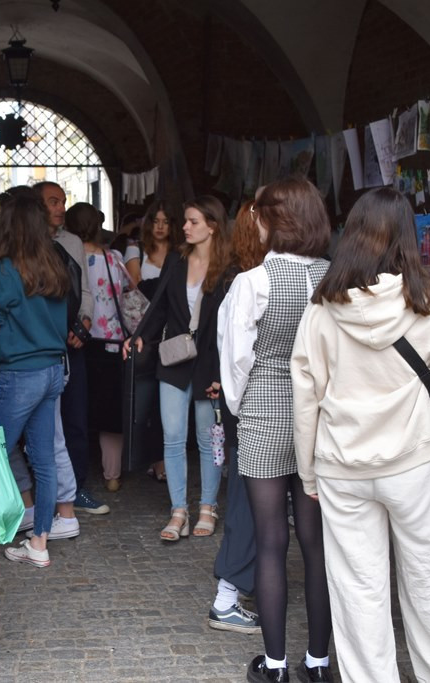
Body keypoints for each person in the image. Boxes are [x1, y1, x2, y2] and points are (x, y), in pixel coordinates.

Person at [291, 187, 430, 682]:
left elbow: (305, 401)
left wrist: (309, 474)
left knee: (358, 591)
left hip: (343, 467)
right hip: (416, 462)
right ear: (408, 238)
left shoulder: (321, 311)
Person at [219, 177, 333, 682]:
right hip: (323, 417)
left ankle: (276, 664)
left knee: (270, 543)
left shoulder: (252, 282)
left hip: (266, 410)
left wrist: (242, 410)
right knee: (316, 544)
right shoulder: (334, 278)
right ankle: (319, 661)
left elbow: (236, 362)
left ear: (271, 220)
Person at [0, 190, 70, 570]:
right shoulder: (54, 263)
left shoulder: (8, 270)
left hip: (20, 372)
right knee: (44, 461)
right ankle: (39, 541)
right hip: (52, 370)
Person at [124, 195, 236, 541]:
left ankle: (207, 507)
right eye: (185, 221)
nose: (184, 227)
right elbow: (157, 307)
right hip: (173, 358)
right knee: (172, 438)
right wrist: (139, 336)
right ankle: (178, 511)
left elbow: (234, 324)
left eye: (193, 222)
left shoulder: (231, 270)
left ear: (212, 226)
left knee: (207, 439)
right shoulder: (176, 261)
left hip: (210, 362)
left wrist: (224, 372)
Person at [206, 197, 267, 635]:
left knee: (253, 497)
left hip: (245, 404)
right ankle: (228, 594)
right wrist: (239, 402)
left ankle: (243, 585)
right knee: (247, 497)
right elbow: (235, 353)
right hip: (253, 407)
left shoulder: (243, 277)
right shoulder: (246, 281)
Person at [34, 180, 109, 516]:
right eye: (53, 202)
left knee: (76, 417)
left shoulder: (73, 242)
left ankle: (77, 488)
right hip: (41, 346)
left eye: (63, 201)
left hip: (74, 344)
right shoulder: (27, 244)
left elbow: (86, 291)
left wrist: (85, 324)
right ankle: (42, 493)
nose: (61, 208)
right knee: (40, 423)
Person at [65, 202, 136, 492]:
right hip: (112, 341)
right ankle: (112, 475)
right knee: (109, 411)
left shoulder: (67, 257)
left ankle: (73, 473)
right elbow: (130, 290)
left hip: (78, 339)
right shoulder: (114, 258)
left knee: (75, 409)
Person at [124, 200, 180, 482]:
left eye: (165, 222)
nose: (159, 227)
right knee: (143, 399)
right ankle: (148, 456)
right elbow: (133, 284)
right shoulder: (137, 250)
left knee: (167, 398)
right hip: (143, 328)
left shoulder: (179, 254)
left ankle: (162, 459)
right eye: (155, 221)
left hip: (170, 331)